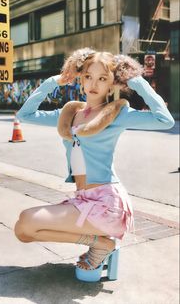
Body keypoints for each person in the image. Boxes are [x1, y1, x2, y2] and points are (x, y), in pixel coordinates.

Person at [14, 48, 175, 282]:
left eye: (102, 78)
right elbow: (25, 115)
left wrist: (137, 81)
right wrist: (53, 81)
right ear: (80, 79)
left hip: (106, 203)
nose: (94, 84)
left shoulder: (117, 113)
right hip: (81, 199)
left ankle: (102, 244)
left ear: (112, 84)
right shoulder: (70, 113)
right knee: (23, 230)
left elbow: (165, 120)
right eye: (88, 76)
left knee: (28, 221)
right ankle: (100, 243)